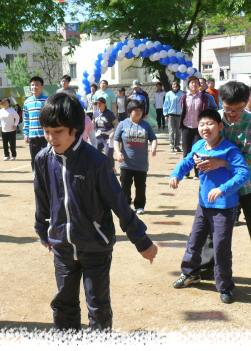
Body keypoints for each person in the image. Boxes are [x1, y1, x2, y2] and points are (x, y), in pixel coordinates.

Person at [33, 92, 158, 332]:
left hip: (95, 247)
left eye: (57, 131)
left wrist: (141, 241)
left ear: (75, 129)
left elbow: (119, 204)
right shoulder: (42, 159)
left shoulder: (96, 162)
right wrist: (43, 231)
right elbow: (42, 200)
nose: (50, 138)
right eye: (46, 131)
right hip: (63, 247)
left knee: (98, 306)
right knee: (64, 304)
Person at [195, 81, 251, 310]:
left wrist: (221, 162)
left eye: (237, 110)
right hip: (221, 189)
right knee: (213, 232)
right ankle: (205, 271)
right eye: (227, 109)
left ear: (247, 103)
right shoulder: (215, 119)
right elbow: (202, 145)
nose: (231, 115)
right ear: (221, 102)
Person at [170, 109, 250, 304]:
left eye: (210, 124)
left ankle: (225, 287)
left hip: (224, 207)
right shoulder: (198, 145)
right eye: (202, 124)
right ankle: (190, 274)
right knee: (194, 241)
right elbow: (187, 161)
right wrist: (176, 175)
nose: (206, 128)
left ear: (220, 126)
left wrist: (223, 189)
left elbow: (243, 174)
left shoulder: (229, 150)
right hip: (203, 205)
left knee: (221, 247)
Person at [114, 100, 157, 215]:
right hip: (126, 163)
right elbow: (116, 140)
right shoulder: (123, 124)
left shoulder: (146, 125)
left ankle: (139, 206)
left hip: (141, 163)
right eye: (136, 110)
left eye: (140, 110)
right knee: (125, 186)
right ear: (129, 111)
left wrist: (153, 147)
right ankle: (126, 204)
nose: (138, 112)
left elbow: (153, 138)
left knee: (140, 186)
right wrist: (118, 153)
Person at [180, 76, 209, 179]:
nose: (194, 85)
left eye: (196, 83)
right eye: (192, 83)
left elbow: (204, 111)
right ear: (189, 85)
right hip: (186, 126)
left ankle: (197, 173)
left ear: (199, 85)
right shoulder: (184, 97)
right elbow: (183, 110)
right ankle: (186, 173)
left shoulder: (203, 97)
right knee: (186, 150)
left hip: (198, 128)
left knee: (197, 150)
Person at [23, 76, 48, 171]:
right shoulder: (27, 102)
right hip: (32, 136)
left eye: (37, 85)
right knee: (34, 158)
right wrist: (26, 134)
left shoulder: (47, 100)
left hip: (46, 136)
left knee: (47, 157)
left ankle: (47, 177)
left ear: (42, 87)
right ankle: (36, 176)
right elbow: (26, 119)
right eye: (32, 85)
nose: (34, 87)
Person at [94, 97, 119, 173]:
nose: (98, 105)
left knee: (108, 153)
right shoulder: (95, 113)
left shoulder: (109, 113)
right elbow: (93, 123)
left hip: (108, 136)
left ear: (104, 104)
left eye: (100, 103)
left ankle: (112, 168)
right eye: (97, 103)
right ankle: (98, 169)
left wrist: (113, 132)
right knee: (94, 152)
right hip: (98, 136)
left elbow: (116, 123)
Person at [163, 81, 183, 153]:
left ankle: (177, 145)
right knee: (171, 130)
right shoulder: (168, 94)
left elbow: (183, 104)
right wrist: (165, 114)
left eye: (176, 84)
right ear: (171, 85)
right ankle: (171, 145)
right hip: (171, 114)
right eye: (174, 84)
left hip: (179, 115)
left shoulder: (181, 93)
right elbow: (166, 104)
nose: (175, 85)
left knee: (178, 131)